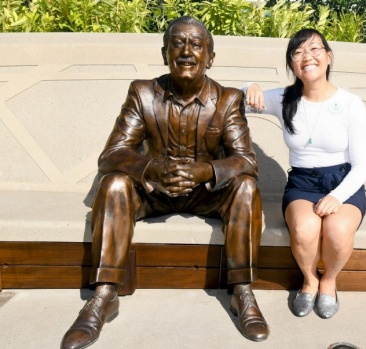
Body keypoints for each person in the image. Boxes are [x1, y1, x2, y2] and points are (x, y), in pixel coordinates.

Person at [60, 16, 269, 349]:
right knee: (113, 183)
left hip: (205, 195)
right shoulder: (143, 93)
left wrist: (205, 171)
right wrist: (153, 168)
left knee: (246, 185)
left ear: (210, 58)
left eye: (196, 45)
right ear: (165, 52)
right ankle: (103, 296)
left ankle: (242, 291)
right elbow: (112, 154)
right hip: (154, 194)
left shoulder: (228, 99)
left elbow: (247, 161)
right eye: (178, 43)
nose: (186, 52)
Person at [244, 28, 366, 319]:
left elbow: (362, 165)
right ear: (291, 64)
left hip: (343, 181)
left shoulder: (351, 104)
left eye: (314, 49)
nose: (307, 57)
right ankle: (310, 280)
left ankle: (329, 281)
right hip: (302, 182)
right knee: (304, 228)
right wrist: (249, 85)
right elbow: (232, 102)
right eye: (298, 52)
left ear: (328, 56)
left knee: (336, 231)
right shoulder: (284, 98)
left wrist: (337, 196)